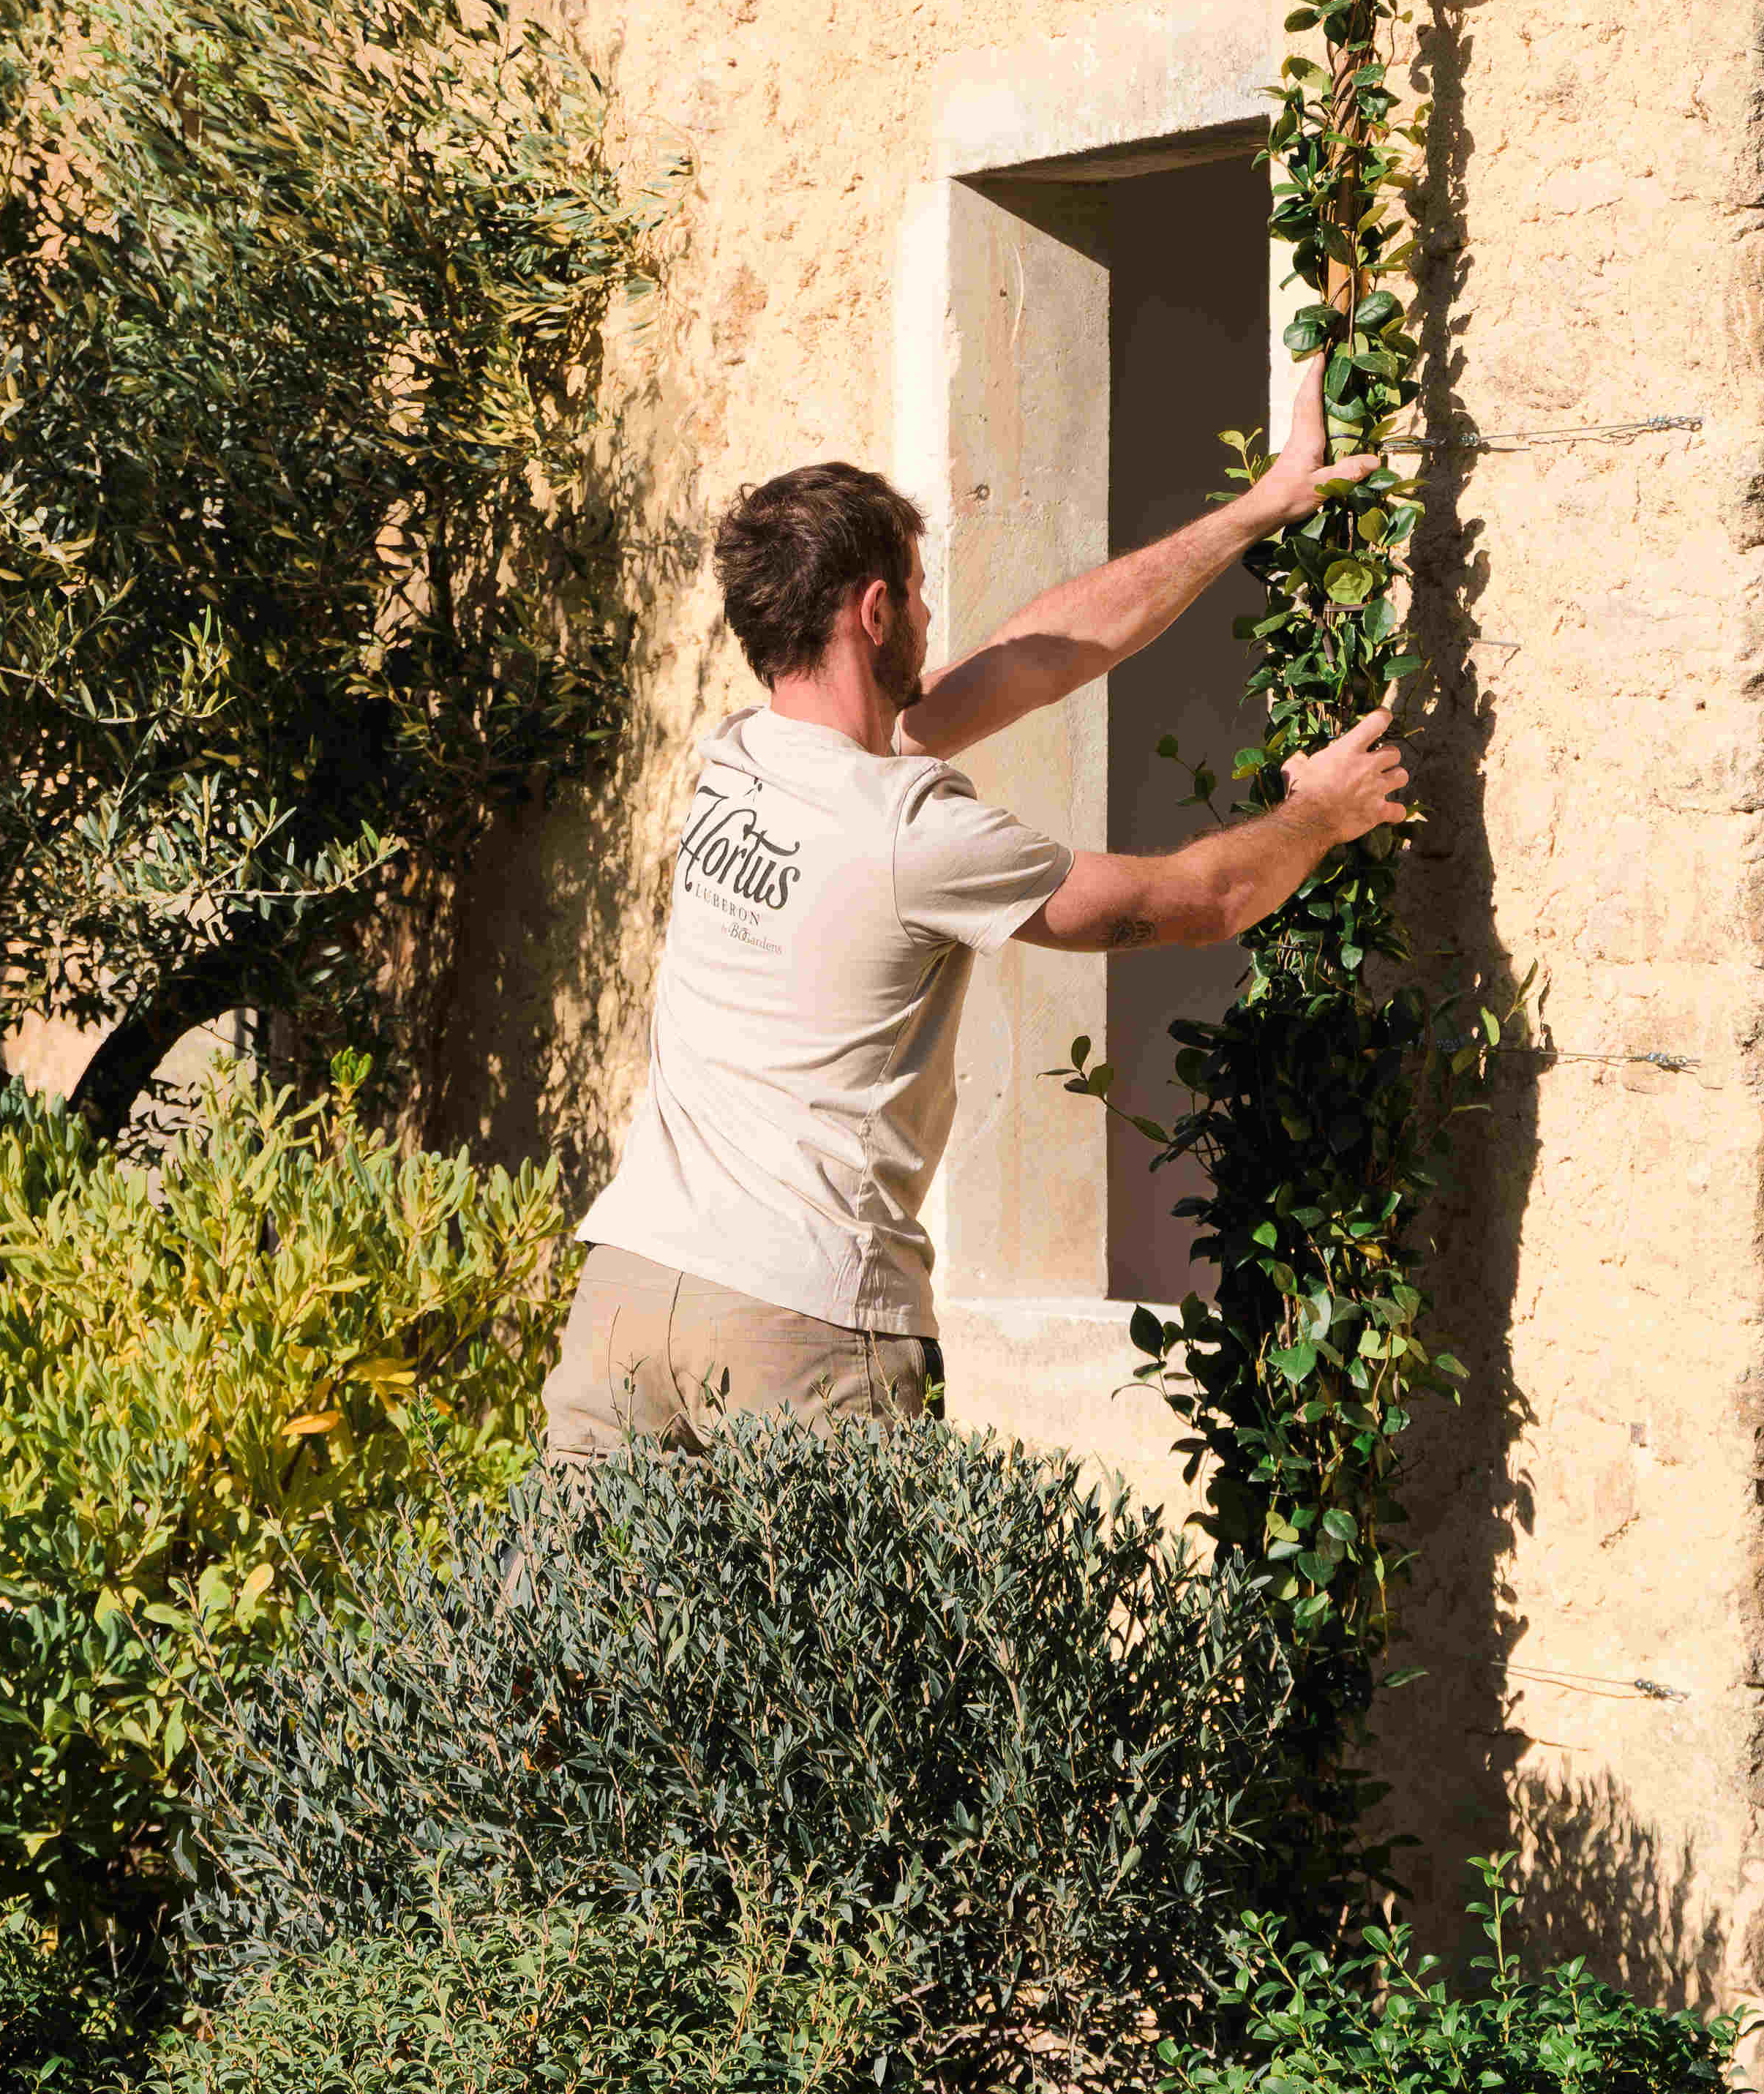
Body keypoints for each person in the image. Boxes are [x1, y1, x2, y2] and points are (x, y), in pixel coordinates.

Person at [544, 347, 1414, 1459]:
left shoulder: (733, 762)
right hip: (794, 1323)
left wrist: (1257, 508)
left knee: (573, 1629)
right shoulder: (913, 833)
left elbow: (1028, 663)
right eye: (915, 591)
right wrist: (1320, 812)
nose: (930, 612)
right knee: (859, 1641)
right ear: (871, 612)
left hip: (626, 1296)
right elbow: (1205, 899)